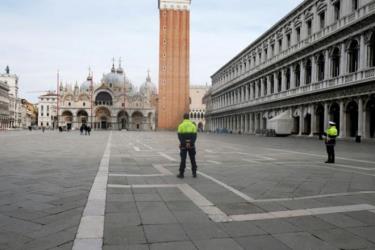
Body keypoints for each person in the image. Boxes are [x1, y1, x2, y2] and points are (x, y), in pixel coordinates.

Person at [177, 113, 198, 178]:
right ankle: (194, 173)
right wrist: (190, 143)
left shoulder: (181, 125)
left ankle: (181, 173)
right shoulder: (193, 126)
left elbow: (179, 136)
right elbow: (195, 136)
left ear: (183, 118)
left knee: (183, 159)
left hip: (183, 145)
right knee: (193, 159)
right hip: (191, 145)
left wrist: (184, 143)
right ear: (189, 118)